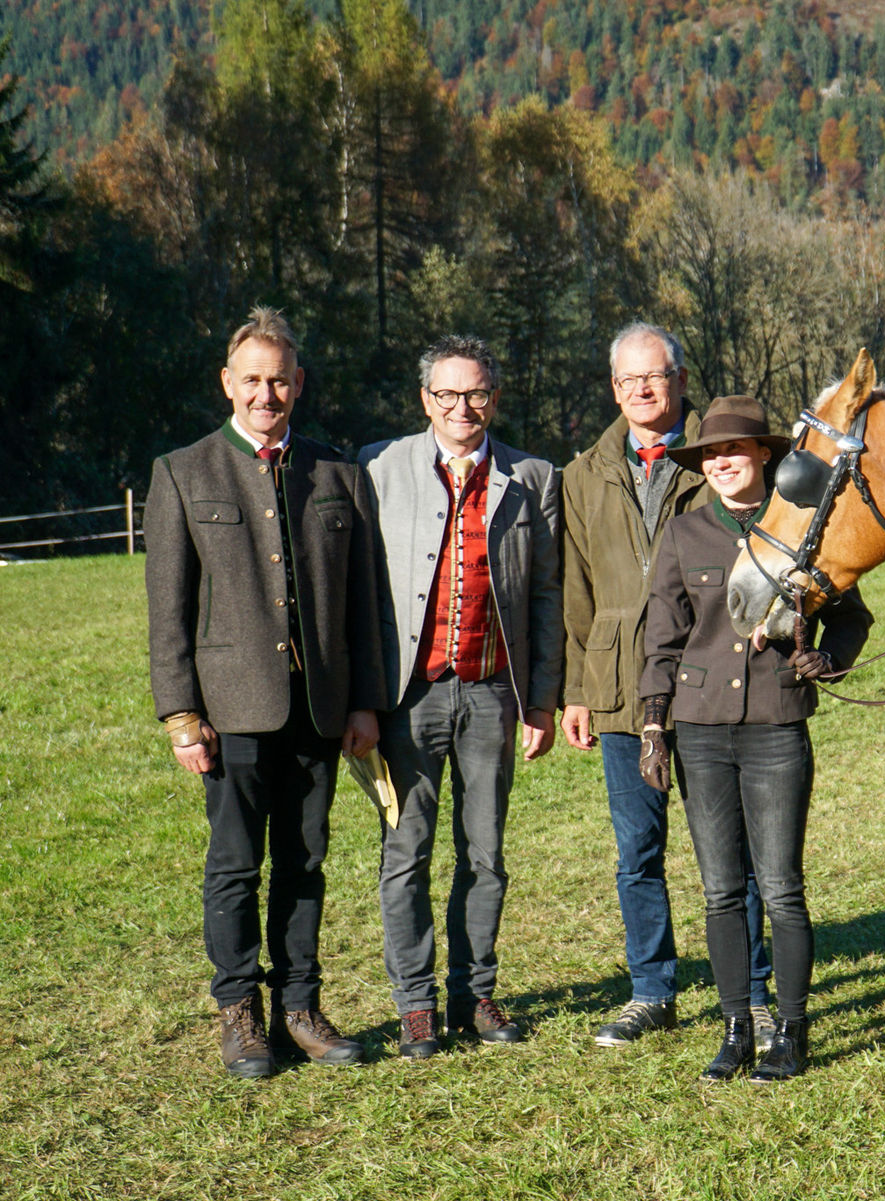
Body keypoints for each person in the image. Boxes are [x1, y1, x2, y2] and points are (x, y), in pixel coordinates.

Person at [145, 306, 385, 1078]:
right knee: (236, 864)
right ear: (228, 382)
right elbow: (168, 609)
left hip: (320, 707)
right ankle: (240, 1012)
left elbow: (365, 602)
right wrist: (182, 714)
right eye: (251, 379)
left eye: (278, 380)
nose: (265, 394)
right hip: (231, 710)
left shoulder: (340, 474)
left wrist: (364, 700)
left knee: (304, 860)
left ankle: (301, 1006)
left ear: (299, 383)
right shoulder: (183, 472)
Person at [640, 395, 872, 1082]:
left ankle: (791, 1032)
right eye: (711, 454)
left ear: (764, 455)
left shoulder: (801, 525)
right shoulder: (684, 534)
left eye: (734, 450)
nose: (721, 463)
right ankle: (737, 1028)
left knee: (781, 889)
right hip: (702, 729)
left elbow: (852, 615)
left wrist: (828, 657)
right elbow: (662, 638)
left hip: (776, 725)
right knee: (719, 891)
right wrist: (653, 724)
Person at [561, 323, 776, 1047]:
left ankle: (753, 991)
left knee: (736, 852)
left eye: (654, 376)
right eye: (628, 380)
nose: (641, 390)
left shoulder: (719, 457)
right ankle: (652, 990)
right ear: (613, 388)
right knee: (638, 851)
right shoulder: (583, 475)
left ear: (680, 380)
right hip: (624, 685)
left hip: (718, 680)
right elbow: (575, 589)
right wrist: (577, 690)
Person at [358, 335, 562, 1060]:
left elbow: (546, 594)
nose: (461, 407)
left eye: (475, 393)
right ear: (425, 399)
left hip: (492, 694)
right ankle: (415, 1006)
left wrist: (541, 700)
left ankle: (473, 993)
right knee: (405, 852)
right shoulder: (378, 466)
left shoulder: (534, 477)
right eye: (446, 393)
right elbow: (356, 589)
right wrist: (361, 699)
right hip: (406, 698)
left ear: (494, 398)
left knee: (486, 853)